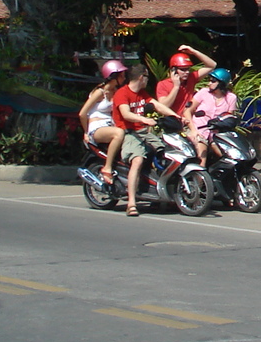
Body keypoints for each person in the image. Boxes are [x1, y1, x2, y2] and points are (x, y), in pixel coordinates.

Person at [114, 64, 178, 217]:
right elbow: (126, 114)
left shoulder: (142, 94)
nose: (148, 80)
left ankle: (158, 192)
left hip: (144, 132)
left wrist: (176, 117)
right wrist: (143, 119)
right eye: (147, 77)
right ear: (142, 77)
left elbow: (158, 106)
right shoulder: (122, 93)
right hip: (129, 133)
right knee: (137, 160)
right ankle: (131, 203)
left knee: (166, 151)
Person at [80, 60, 128, 184]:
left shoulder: (115, 91)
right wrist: (86, 132)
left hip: (109, 125)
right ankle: (107, 167)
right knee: (119, 133)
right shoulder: (99, 92)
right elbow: (82, 113)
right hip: (97, 127)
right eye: (121, 75)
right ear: (114, 76)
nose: (124, 78)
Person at [189, 67, 240, 165]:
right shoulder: (203, 92)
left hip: (217, 134)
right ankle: (201, 178)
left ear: (221, 83)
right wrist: (193, 130)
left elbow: (229, 118)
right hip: (200, 131)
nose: (209, 83)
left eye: (213, 81)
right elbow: (188, 111)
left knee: (228, 158)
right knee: (201, 159)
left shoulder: (231, 98)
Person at [156, 44, 216, 128]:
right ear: (174, 70)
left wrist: (194, 52)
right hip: (174, 124)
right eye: (183, 69)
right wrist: (176, 87)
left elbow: (212, 65)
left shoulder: (191, 78)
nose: (187, 72)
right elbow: (163, 106)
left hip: (190, 122)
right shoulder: (163, 84)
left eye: (188, 69)